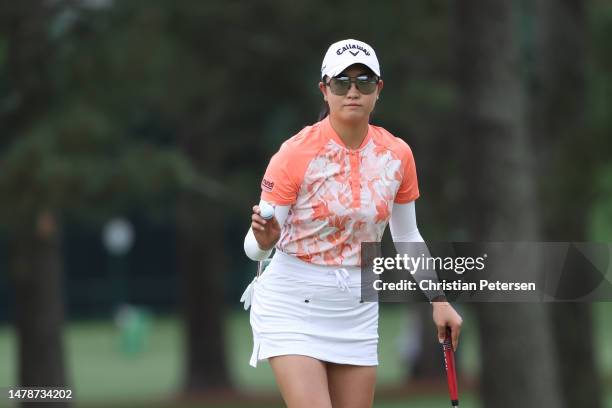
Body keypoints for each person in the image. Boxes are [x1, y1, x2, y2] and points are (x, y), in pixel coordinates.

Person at [241, 39, 463, 408]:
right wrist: (266, 240)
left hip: (356, 305)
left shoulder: (397, 155)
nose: (353, 91)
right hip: (294, 300)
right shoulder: (295, 153)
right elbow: (254, 247)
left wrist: (438, 300)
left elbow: (407, 235)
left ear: (379, 89)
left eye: (364, 81)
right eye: (341, 83)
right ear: (324, 90)